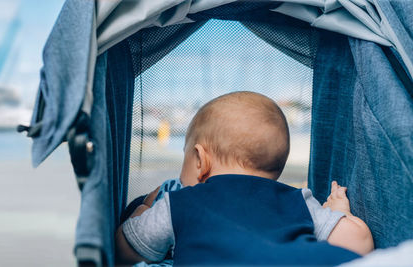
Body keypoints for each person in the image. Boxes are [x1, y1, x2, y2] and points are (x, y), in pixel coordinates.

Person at [116, 91, 374, 265]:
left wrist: (145, 207)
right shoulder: (300, 201)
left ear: (199, 160)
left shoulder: (179, 203)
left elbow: (125, 248)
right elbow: (359, 244)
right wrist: (339, 211)